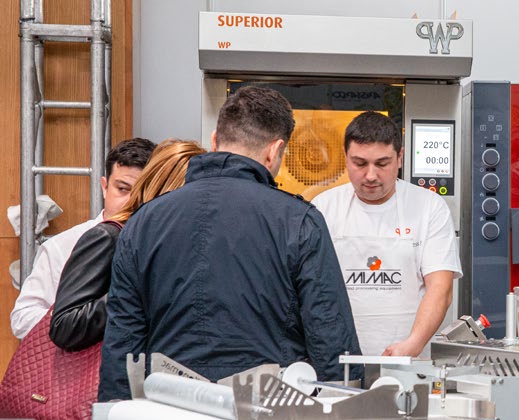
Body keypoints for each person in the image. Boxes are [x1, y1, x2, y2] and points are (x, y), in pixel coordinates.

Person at [98, 86, 360, 401]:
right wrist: (346, 411)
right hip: (268, 412)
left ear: (214, 140)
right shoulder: (299, 221)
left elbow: (122, 344)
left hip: (170, 411)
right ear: (274, 151)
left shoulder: (144, 222)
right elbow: (330, 335)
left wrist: (116, 416)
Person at [312, 112, 461, 358]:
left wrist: (414, 344)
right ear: (345, 157)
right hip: (337, 358)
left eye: (382, 164)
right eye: (360, 163)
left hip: (409, 360)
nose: (371, 175)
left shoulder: (429, 207)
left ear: (400, 158)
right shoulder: (323, 208)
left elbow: (440, 289)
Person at [50, 140, 205, 351]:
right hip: (108, 366)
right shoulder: (110, 236)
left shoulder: (169, 241)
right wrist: (133, 291)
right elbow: (64, 325)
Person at [10, 138, 154, 339]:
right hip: (75, 353)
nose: (131, 201)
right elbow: (22, 318)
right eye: (122, 189)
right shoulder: (63, 245)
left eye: (142, 192)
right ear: (104, 187)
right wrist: (68, 317)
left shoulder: (160, 246)